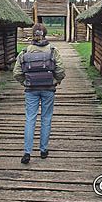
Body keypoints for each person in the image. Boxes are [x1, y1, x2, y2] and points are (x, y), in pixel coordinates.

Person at [13, 23, 65, 164]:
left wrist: (25, 82)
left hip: (31, 90)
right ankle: (43, 150)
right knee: (46, 119)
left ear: (33, 34)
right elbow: (60, 70)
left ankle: (27, 152)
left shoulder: (25, 52)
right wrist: (56, 80)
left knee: (30, 119)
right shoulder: (53, 51)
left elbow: (17, 72)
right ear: (45, 34)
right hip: (48, 89)